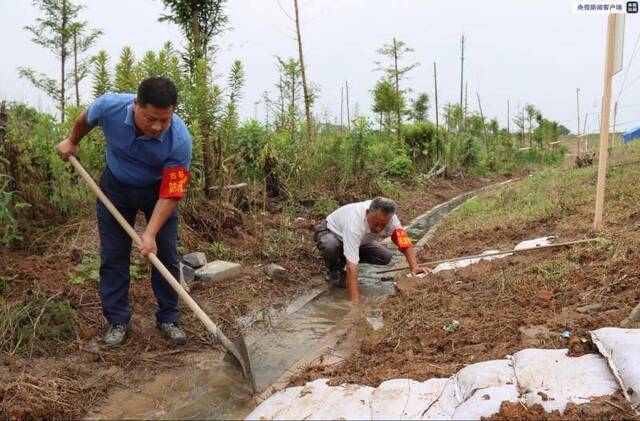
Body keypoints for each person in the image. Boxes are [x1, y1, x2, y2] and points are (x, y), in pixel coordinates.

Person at [56, 77, 192, 347]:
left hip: (157, 192)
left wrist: (150, 234)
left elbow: (172, 192)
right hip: (116, 187)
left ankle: (168, 317)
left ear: (173, 113)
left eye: (164, 120)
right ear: (136, 105)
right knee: (114, 254)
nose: (156, 127)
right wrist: (72, 141)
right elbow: (86, 119)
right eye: (151, 118)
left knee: (164, 252)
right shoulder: (110, 107)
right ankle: (117, 320)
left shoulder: (180, 140)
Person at [314, 197, 429, 303]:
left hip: (361, 241)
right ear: (367, 213)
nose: (379, 228)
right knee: (330, 246)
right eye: (376, 223)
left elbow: (405, 244)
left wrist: (414, 267)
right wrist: (355, 301)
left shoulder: (392, 220)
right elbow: (352, 265)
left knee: (385, 257)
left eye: (383, 225)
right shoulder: (355, 222)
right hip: (331, 233)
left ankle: (343, 259)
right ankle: (334, 269)